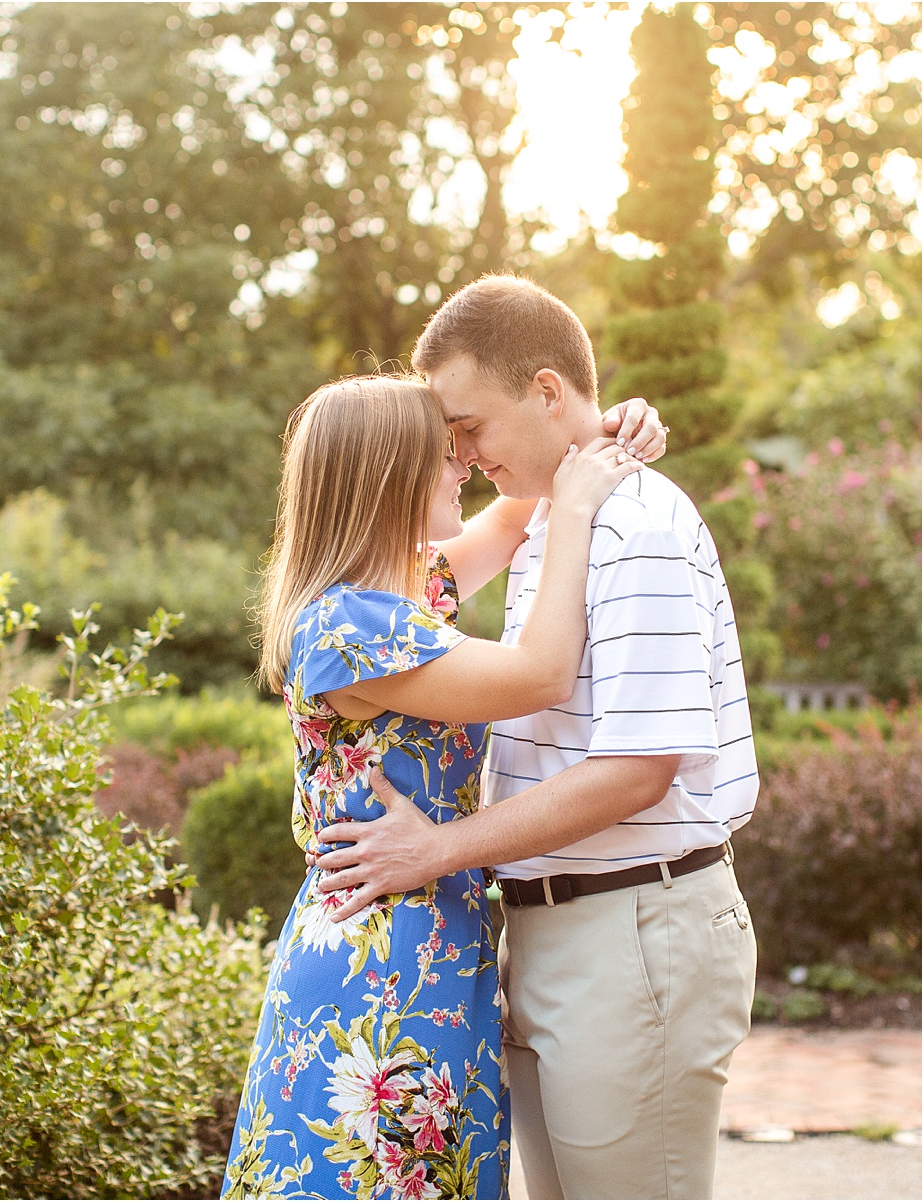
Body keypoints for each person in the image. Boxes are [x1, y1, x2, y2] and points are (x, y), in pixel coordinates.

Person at [308, 275, 762, 1199]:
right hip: (546, 930)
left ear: (546, 393)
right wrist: (593, 444)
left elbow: (638, 772)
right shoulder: (555, 522)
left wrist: (439, 851)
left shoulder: (628, 524)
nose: (462, 458)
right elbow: (535, 649)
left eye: (468, 428)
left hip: (631, 923)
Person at [219, 373, 666, 1200]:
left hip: (431, 939)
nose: (464, 463)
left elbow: (513, 508)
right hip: (382, 963)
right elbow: (539, 674)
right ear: (389, 477)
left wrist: (601, 426)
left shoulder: (408, 592)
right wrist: (573, 512)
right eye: (445, 452)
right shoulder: (352, 624)